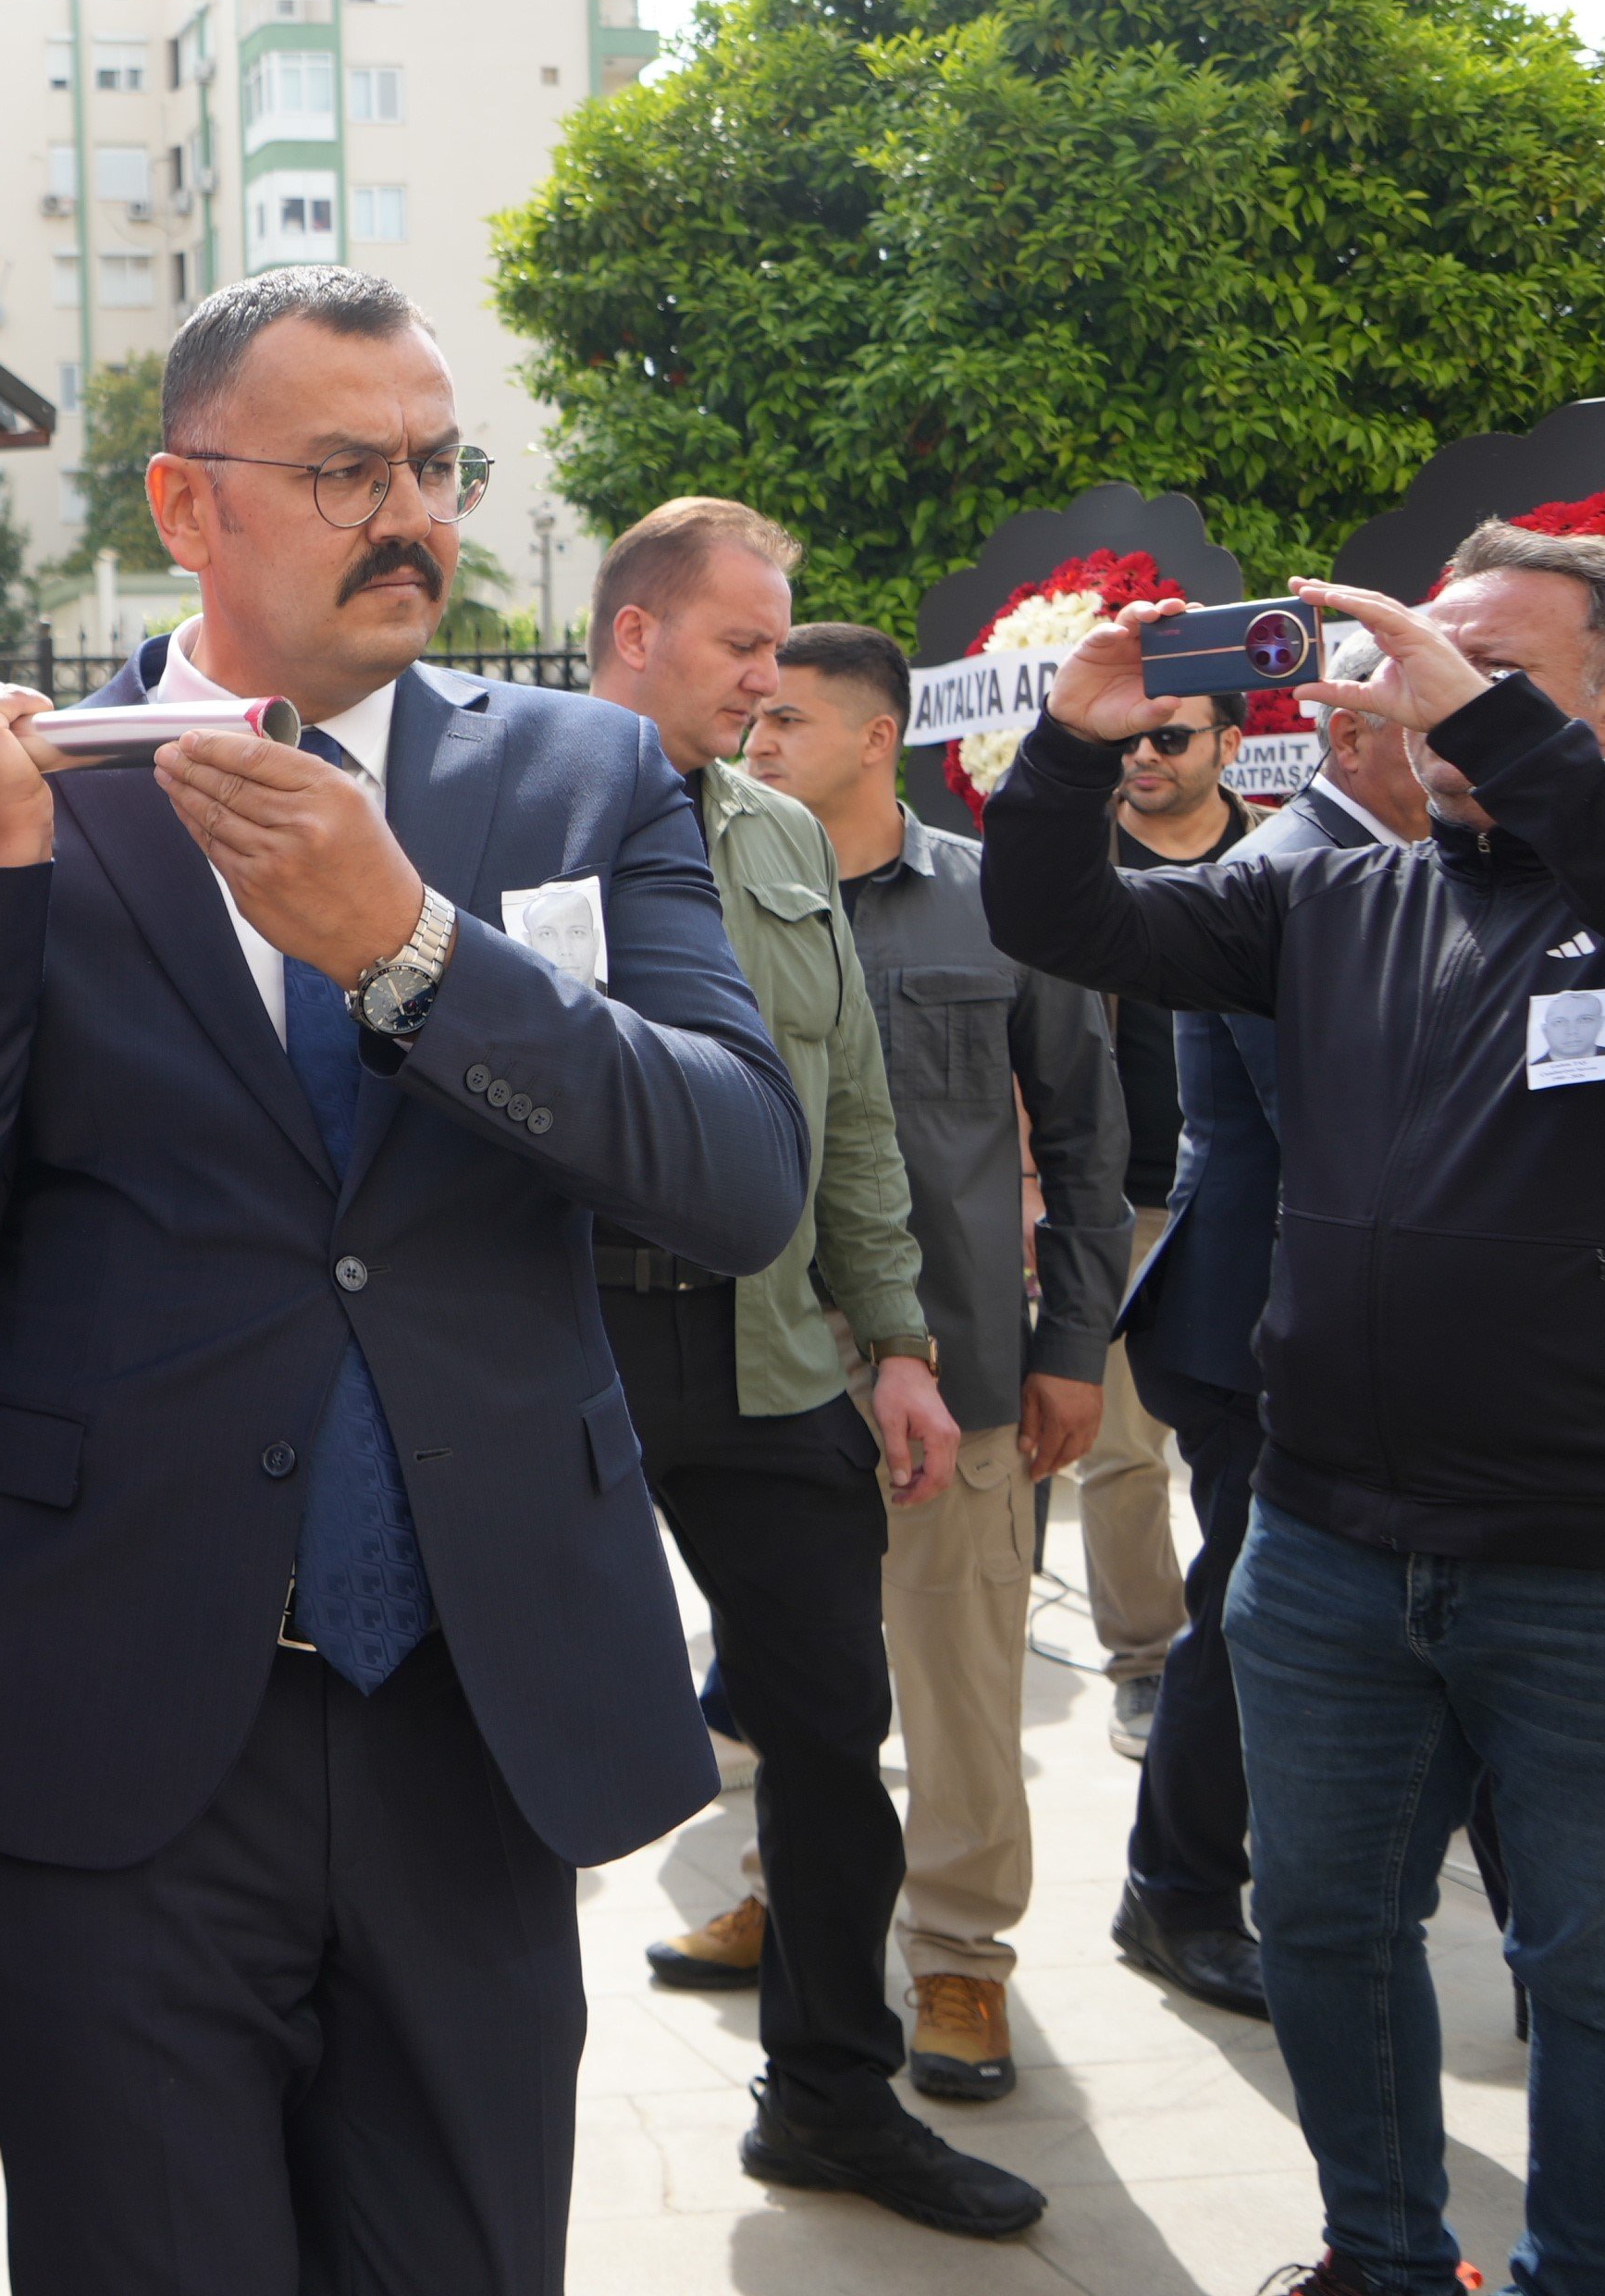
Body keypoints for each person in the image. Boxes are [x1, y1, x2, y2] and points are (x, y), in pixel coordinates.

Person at [0, 267, 813, 2296]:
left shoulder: (584, 779)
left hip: (471, 1707)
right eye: (346, 470)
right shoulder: (28, 789)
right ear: (186, 504)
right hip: (102, 1714)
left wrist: (413, 950)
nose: (410, 513)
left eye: (436, 464)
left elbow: (735, 1174)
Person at [982, 526, 1605, 2296]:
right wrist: (1067, 744)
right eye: (1424, 656)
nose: (1430, 697)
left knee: (1602, 1974)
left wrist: (1482, 723)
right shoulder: (1326, 897)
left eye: (1494, 673)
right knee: (1324, 1929)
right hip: (1330, 1543)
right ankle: (1379, 2260)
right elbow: (1058, 920)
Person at [586, 510, 1039, 2234]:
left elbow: (847, 1111)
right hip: (554, 1347)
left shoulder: (777, 835)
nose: (766, 683)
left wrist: (901, 1345)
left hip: (769, 1347)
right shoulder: (496, 814)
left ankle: (830, 2101)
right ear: (634, 635)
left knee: (832, 1731)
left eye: (779, 651)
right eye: (740, 647)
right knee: (481, 1740)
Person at [746, 622, 1129, 2107]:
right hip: (769, 1360)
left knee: (960, 1674)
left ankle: (962, 1955)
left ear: (875, 737)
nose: (759, 741)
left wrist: (1074, 1344)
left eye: (789, 719)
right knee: (791, 1671)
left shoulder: (996, 904)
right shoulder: (716, 899)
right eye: (754, 717)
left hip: (959, 1357)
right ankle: (786, 1896)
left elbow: (1086, 1140)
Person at [1108, 623, 1417, 2020]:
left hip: (1352, 1314)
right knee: (1242, 1620)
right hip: (1259, 1322)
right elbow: (1333, 1118)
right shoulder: (1285, 875)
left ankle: (1578, 1953)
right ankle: (1176, 1894)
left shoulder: (1401, 864)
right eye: (1444, 717)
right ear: (1350, 733)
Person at [1083, 685, 1249, 1758]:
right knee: (1121, 1452)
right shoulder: (1078, 862)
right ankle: (1146, 1662)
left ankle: (1252, 1650)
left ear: (1230, 744)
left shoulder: (1281, 854)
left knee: (1268, 1440)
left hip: (1249, 1192)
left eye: (1171, 736)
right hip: (1117, 1200)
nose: (1144, 753)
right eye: (1129, 737)